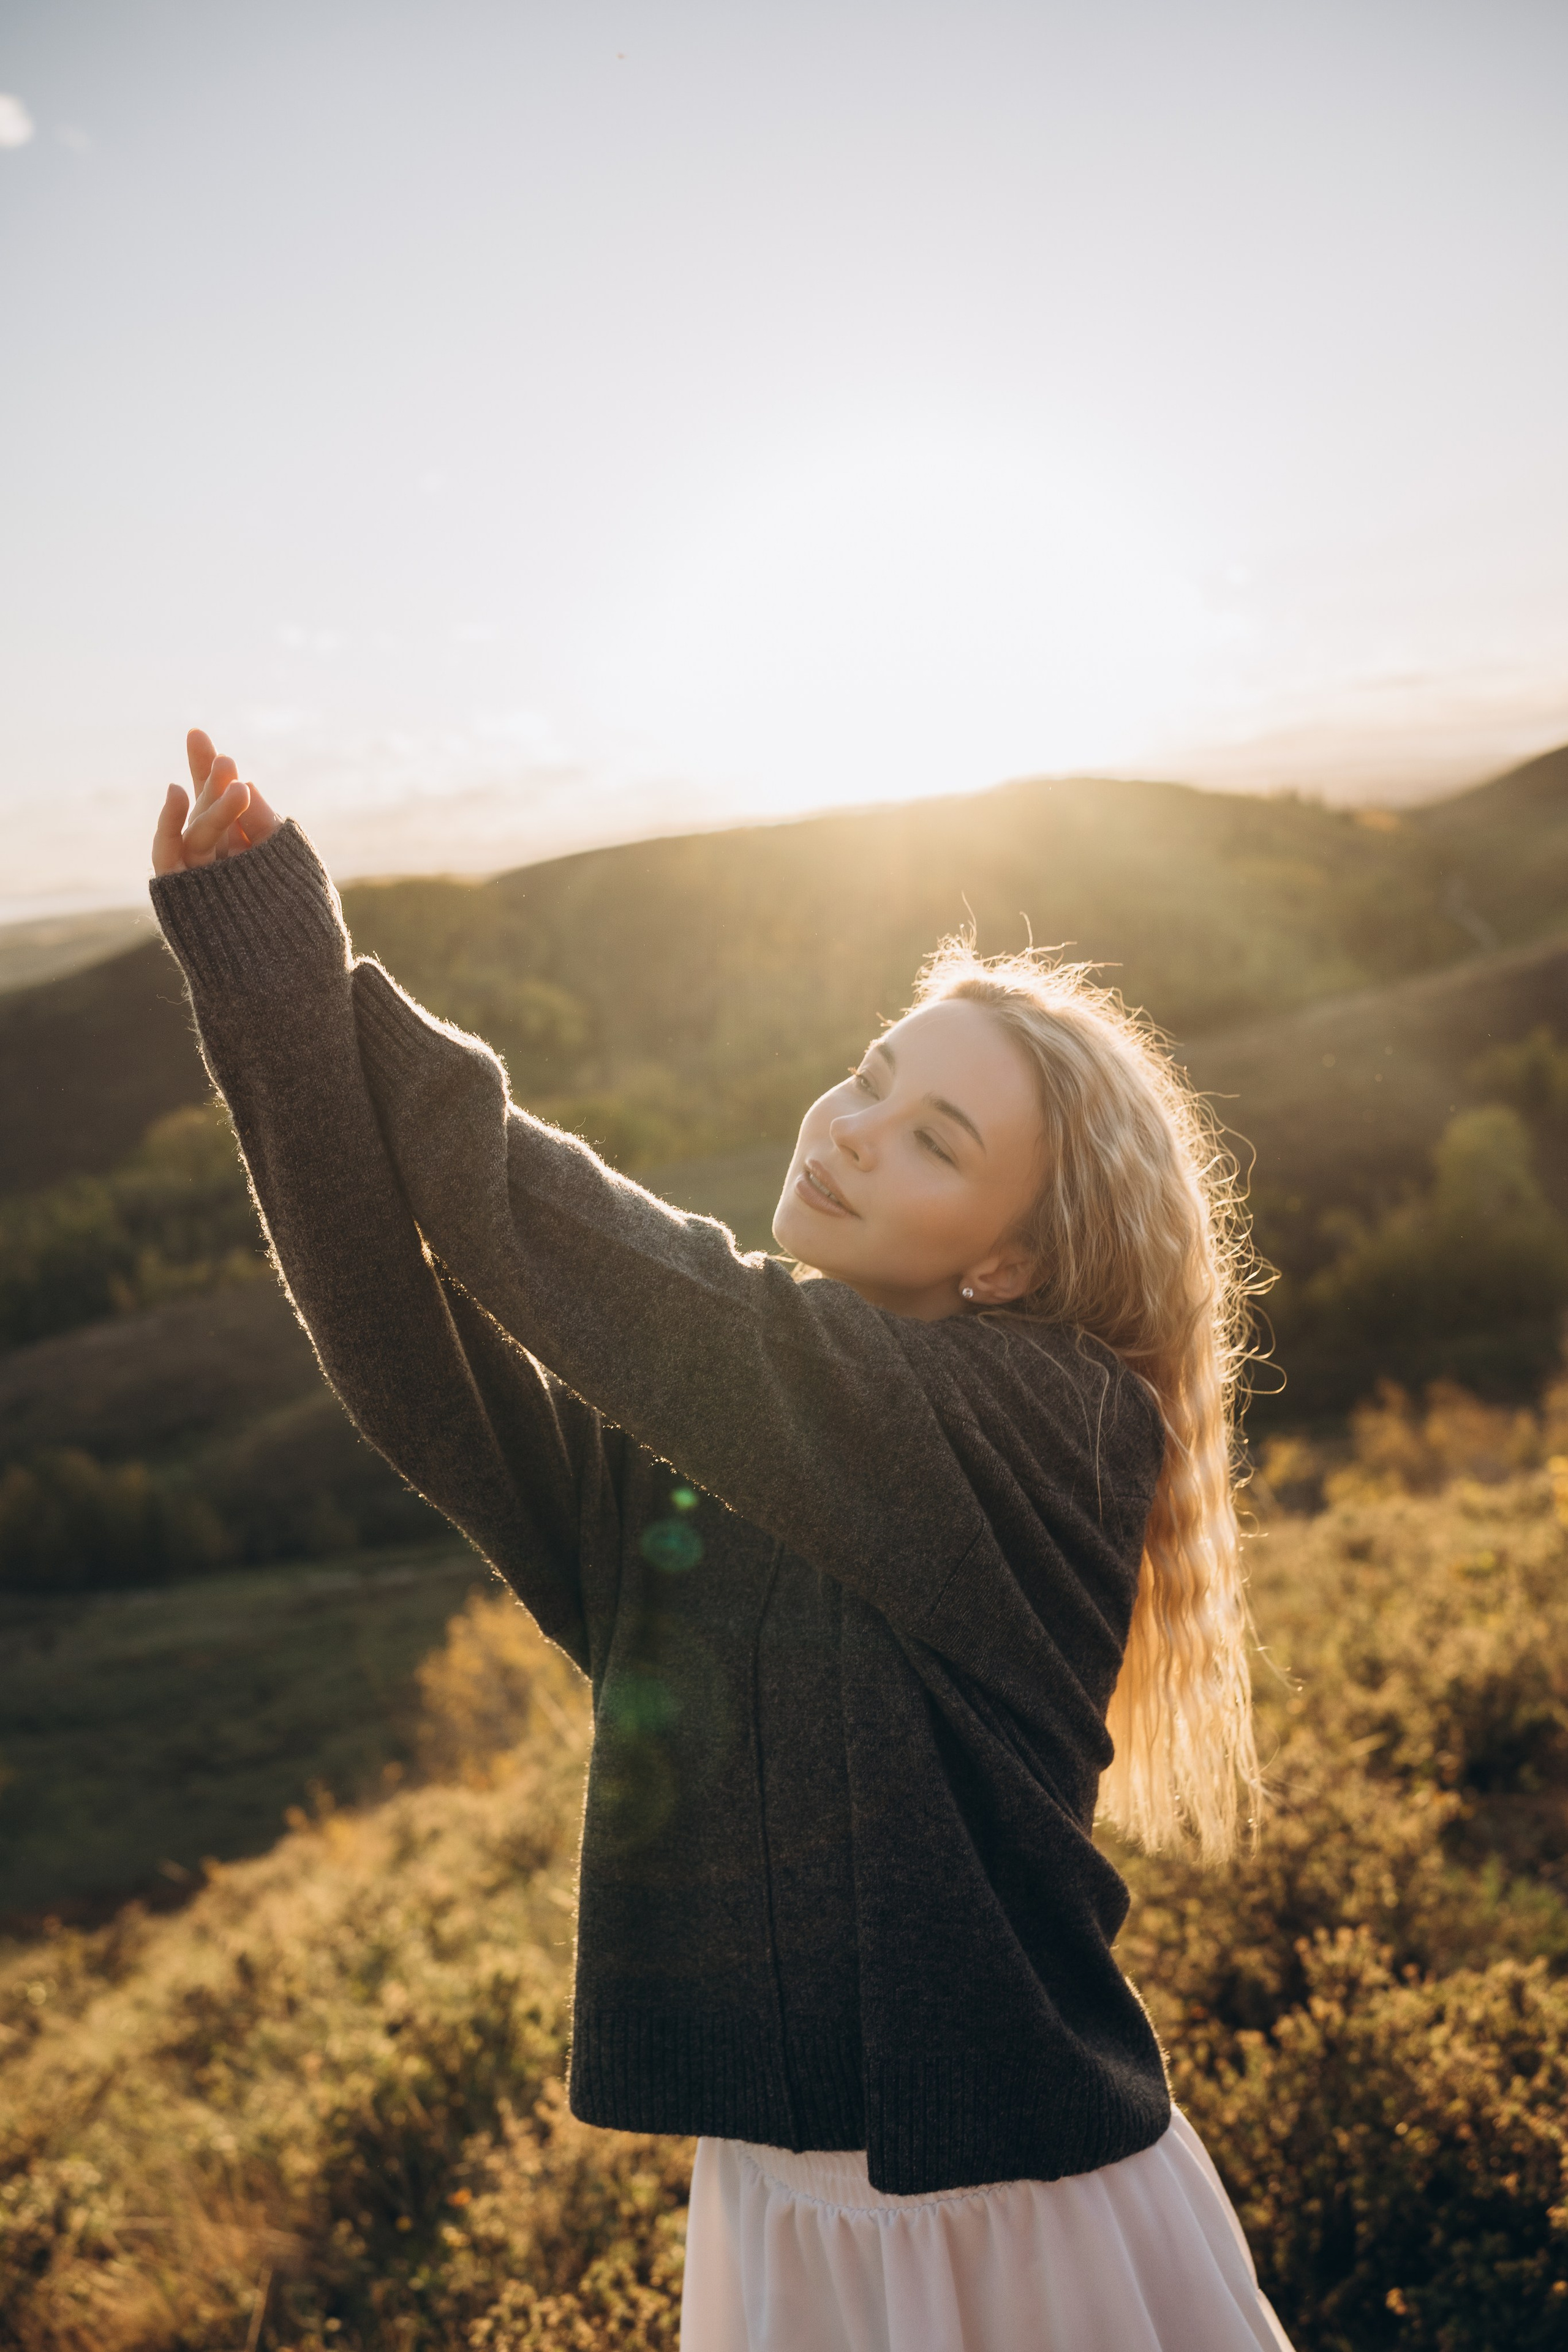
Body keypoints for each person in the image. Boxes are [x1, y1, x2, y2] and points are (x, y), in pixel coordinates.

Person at [150, 731, 1292, 2352]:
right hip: (780, 2227)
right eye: (875, 1074)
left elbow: (622, 1284)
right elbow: (417, 1368)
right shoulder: (705, 1480)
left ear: (1011, 1269)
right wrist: (270, 991)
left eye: (932, 1143)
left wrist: (336, 983)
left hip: (1028, 2225)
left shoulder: (1051, 1428)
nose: (847, 1129)